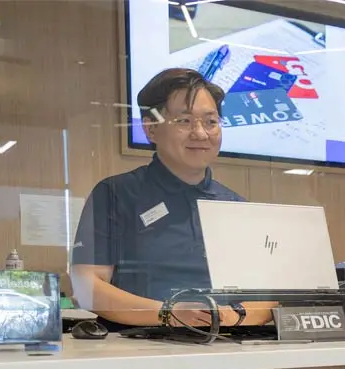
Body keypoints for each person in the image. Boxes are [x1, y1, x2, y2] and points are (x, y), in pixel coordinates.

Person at [70, 68, 273, 328]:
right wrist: (169, 313)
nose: (200, 133)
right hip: (139, 350)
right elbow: (87, 287)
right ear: (151, 129)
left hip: (228, 347)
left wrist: (233, 318)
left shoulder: (235, 205)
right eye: (184, 121)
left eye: (210, 122)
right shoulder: (115, 194)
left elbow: (268, 294)